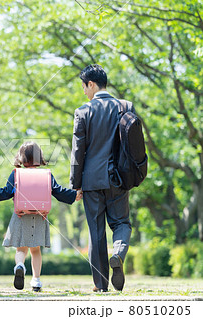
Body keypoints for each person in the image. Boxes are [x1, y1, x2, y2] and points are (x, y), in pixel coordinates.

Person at [70, 64, 132, 292]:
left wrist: (75, 185)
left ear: (92, 84)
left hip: (92, 181)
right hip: (118, 178)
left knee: (96, 231)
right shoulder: (125, 107)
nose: (83, 91)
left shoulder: (83, 111)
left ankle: (101, 284)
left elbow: (78, 152)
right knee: (122, 223)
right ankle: (118, 252)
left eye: (84, 86)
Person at [0, 141, 80, 291]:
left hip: (20, 215)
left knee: (20, 250)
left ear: (21, 157)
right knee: (35, 250)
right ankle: (36, 281)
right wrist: (74, 195)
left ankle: (20, 265)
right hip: (39, 215)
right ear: (39, 157)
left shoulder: (16, 174)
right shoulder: (46, 174)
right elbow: (58, 191)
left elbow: (6, 192)